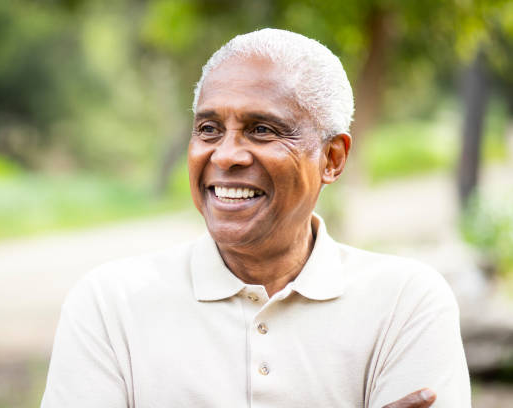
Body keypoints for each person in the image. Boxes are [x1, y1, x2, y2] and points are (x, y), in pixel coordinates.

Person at [41, 29, 470, 407]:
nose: (225, 155)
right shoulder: (109, 304)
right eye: (208, 129)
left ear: (332, 158)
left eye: (262, 129)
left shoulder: (405, 303)